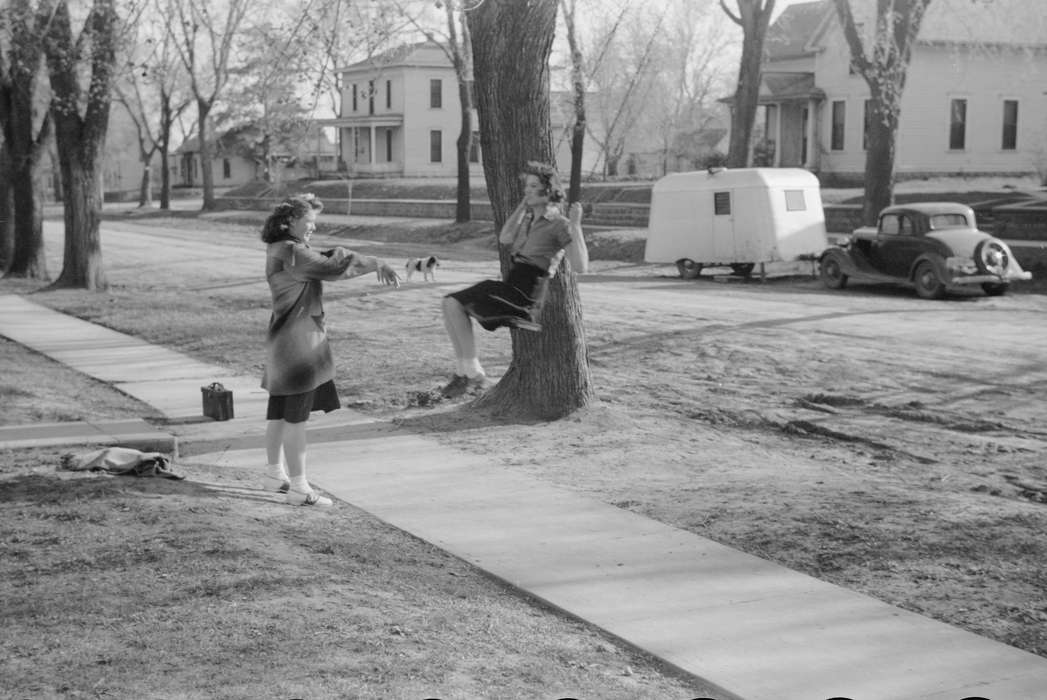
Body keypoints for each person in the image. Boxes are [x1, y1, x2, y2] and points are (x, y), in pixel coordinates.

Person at [261, 193, 400, 506]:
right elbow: (333, 266)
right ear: (289, 221)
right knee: (296, 419)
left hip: (281, 342)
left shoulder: (281, 248)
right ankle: (299, 487)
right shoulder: (293, 252)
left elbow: (322, 256)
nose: (313, 227)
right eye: (308, 222)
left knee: (279, 414)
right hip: (299, 346)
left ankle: (274, 474)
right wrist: (378, 261)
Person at [440, 161, 588, 399]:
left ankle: (474, 373)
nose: (527, 190)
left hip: (526, 296)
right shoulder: (530, 220)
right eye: (526, 186)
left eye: (533, 186)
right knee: (449, 303)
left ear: (548, 190)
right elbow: (506, 237)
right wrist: (523, 206)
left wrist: (577, 225)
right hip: (511, 286)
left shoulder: (559, 224)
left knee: (454, 303)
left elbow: (581, 266)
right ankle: (463, 371)